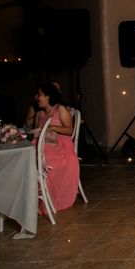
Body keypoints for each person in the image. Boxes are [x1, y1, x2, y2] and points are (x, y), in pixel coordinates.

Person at [31, 81, 79, 215]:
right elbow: (38, 134)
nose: (36, 97)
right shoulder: (39, 114)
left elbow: (70, 130)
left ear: (48, 96)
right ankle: (30, 200)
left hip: (61, 149)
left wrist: (51, 127)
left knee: (39, 153)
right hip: (44, 146)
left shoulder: (60, 109)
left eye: (39, 95)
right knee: (32, 149)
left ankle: (46, 199)